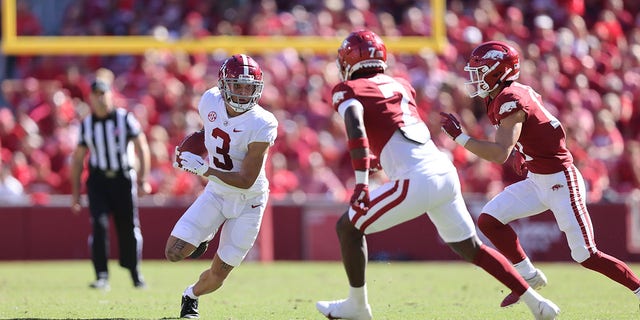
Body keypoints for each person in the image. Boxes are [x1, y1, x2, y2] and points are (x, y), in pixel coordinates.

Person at [315, 30, 559, 320]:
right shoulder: (402, 85)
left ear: (348, 61)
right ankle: (538, 304)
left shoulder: (348, 89)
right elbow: (399, 132)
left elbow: (356, 127)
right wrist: (378, 159)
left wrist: (361, 183)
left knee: (348, 228)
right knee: (471, 248)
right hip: (442, 170)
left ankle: (357, 306)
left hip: (417, 178)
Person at [440, 40, 640, 308]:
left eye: (481, 70)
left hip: (560, 181)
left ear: (498, 71)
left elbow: (500, 153)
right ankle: (528, 276)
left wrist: (460, 137)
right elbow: (548, 129)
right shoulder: (511, 92)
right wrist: (527, 154)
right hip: (538, 178)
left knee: (586, 254)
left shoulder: (510, 98)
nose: (474, 78)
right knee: (489, 220)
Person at [167, 54, 278, 319]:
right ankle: (204, 237)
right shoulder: (209, 100)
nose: (242, 92)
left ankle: (191, 295)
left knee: (218, 275)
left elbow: (245, 180)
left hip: (249, 201)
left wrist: (203, 168)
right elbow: (210, 133)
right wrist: (186, 151)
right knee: (173, 253)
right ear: (223, 84)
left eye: (248, 86)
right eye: (236, 85)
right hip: (217, 193)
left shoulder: (263, 123)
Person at [70, 78, 152, 290]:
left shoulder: (125, 118)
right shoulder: (86, 124)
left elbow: (142, 147)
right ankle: (102, 275)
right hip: (98, 180)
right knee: (99, 225)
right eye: (95, 94)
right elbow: (78, 159)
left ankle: (135, 272)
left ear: (110, 95)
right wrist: (76, 193)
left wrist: (143, 179)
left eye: (103, 94)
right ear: (90, 98)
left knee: (128, 227)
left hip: (122, 178)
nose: (100, 98)